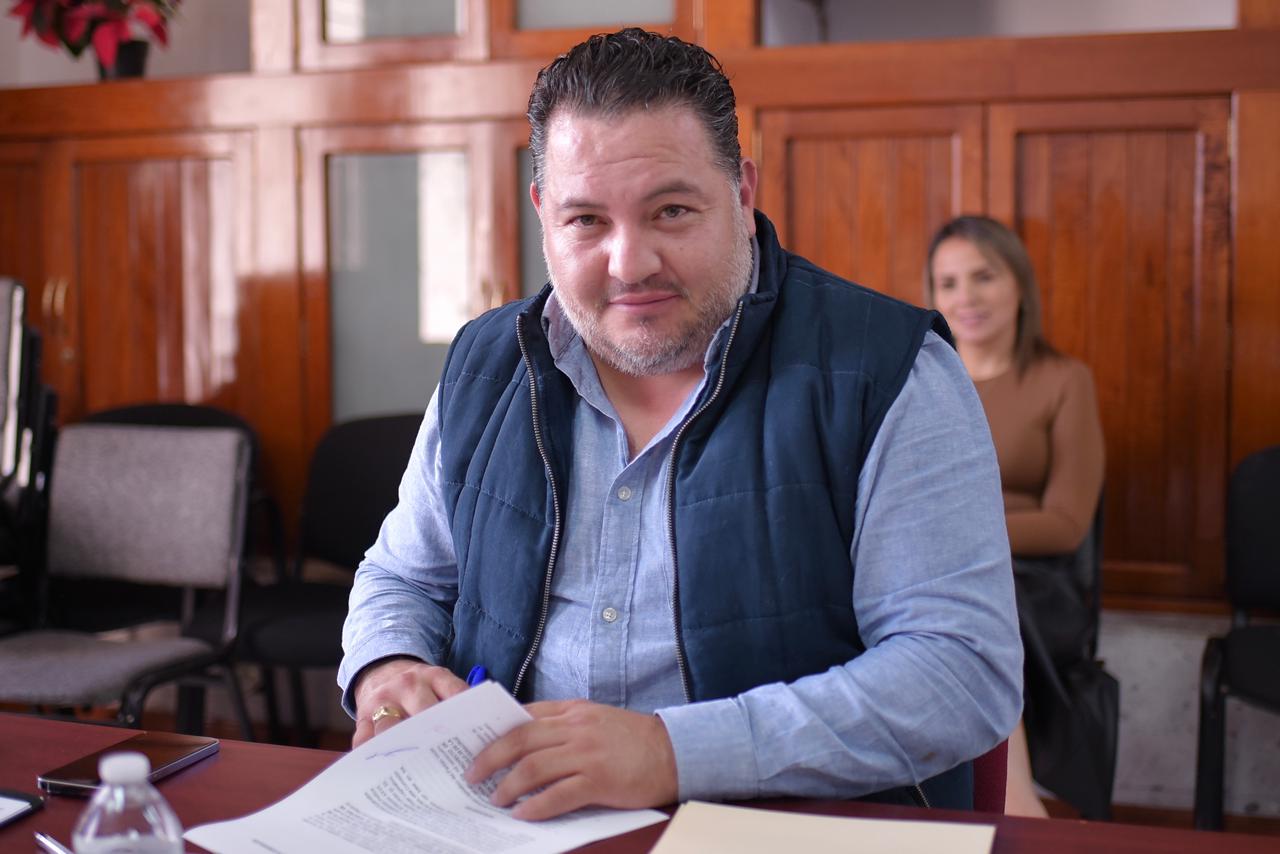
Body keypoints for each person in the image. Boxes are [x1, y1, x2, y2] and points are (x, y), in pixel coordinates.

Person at [339, 28, 1022, 822]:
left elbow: (960, 674)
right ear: (543, 214)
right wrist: (387, 665)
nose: (630, 263)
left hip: (782, 829)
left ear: (742, 193)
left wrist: (674, 752)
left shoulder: (890, 373)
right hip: (510, 822)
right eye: (586, 220)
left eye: (670, 211)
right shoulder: (485, 366)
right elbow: (402, 578)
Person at [926, 215, 1107, 818]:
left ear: (1020, 286)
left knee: (980, 594)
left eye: (984, 276)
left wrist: (964, 539)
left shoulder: (1064, 380)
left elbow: (1066, 524)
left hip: (1037, 583)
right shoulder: (920, 380)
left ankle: (1018, 800)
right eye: (948, 283)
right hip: (934, 571)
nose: (966, 297)